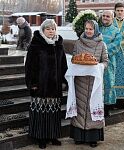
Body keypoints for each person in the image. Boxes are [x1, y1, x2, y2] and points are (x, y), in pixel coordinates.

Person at [25, 19, 68, 149]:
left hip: (55, 86)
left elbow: (63, 65)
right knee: (41, 112)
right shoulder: (35, 45)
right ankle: (40, 137)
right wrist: (32, 83)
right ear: (43, 30)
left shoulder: (59, 44)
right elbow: (29, 66)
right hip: (40, 86)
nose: (51, 31)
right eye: (48, 29)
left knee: (54, 112)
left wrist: (63, 81)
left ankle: (52, 135)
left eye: (53, 29)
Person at [69, 20, 108, 148]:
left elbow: (106, 62)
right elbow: (74, 59)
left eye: (91, 29)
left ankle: (93, 137)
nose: (88, 31)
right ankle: (79, 136)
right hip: (80, 81)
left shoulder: (101, 44)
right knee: (80, 107)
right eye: (86, 28)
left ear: (95, 30)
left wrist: (98, 67)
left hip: (94, 83)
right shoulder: (78, 43)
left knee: (93, 107)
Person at [99, 10, 122, 116]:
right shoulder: (97, 29)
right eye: (103, 16)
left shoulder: (116, 31)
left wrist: (103, 51)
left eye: (107, 16)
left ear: (112, 18)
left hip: (109, 61)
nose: (105, 18)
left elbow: (116, 45)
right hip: (96, 60)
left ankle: (107, 107)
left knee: (109, 82)